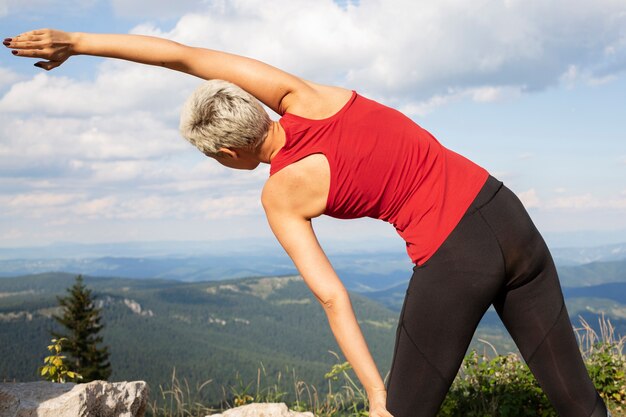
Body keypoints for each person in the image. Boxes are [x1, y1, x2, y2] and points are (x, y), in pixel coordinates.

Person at [4, 29, 610, 417]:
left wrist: (377, 395)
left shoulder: (281, 195)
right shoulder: (303, 97)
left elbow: (331, 296)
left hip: (455, 258)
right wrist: (76, 42)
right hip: (503, 209)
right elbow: (188, 57)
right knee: (578, 403)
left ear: (226, 153)